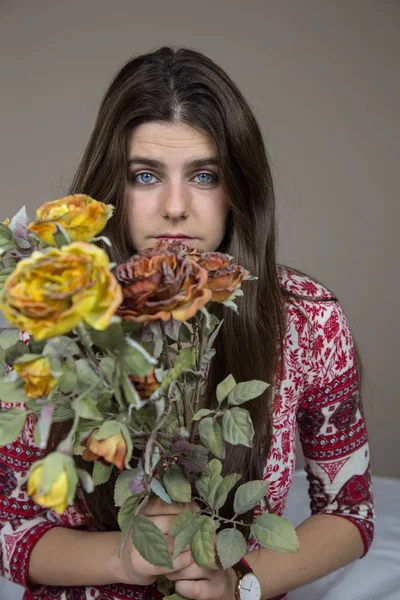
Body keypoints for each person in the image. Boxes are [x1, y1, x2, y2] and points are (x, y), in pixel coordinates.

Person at [0, 46, 374, 600]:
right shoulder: (56, 320)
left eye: (203, 175)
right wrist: (124, 559)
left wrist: (238, 584)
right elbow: (12, 527)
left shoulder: (307, 319)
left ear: (238, 189)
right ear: (112, 189)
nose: (175, 207)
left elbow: (351, 513)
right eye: (146, 175)